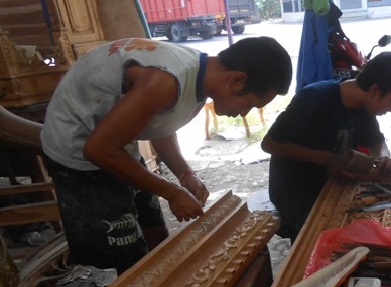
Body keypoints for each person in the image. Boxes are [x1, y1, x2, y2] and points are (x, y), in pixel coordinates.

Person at [41, 37, 292, 274]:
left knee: (156, 235)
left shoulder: (202, 75)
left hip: (115, 142)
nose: (244, 113)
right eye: (250, 104)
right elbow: (98, 150)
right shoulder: (166, 80)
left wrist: (185, 174)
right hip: (78, 153)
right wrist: (171, 192)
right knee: (126, 258)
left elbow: (160, 125)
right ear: (237, 80)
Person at [261, 51, 391, 241]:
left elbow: (377, 143)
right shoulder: (314, 100)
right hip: (295, 188)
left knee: (374, 225)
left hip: (331, 182)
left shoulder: (364, 109)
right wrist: (325, 158)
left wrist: (384, 160)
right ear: (374, 90)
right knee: (327, 237)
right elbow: (268, 144)